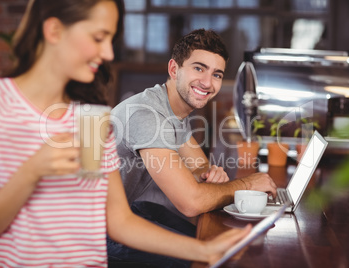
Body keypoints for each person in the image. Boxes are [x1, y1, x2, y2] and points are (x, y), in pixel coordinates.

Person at [0, 0, 254, 267]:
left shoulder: (91, 119)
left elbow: (116, 219)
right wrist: (29, 174)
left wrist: (204, 250)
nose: (109, 53)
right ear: (54, 31)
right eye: (99, 38)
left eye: (111, 40)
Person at [109, 29, 278, 264]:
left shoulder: (173, 110)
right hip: (94, 233)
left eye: (217, 74)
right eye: (198, 68)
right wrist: (248, 184)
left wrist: (205, 175)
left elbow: (202, 169)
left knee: (211, 243)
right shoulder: (147, 115)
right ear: (173, 69)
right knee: (207, 259)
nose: (207, 82)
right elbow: (191, 202)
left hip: (125, 210)